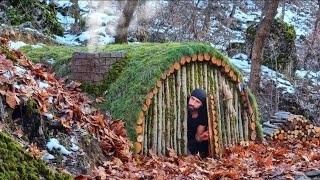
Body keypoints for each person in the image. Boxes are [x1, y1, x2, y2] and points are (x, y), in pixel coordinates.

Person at [187, 88, 209, 157]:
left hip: (192, 144)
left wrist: (201, 137)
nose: (192, 103)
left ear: (201, 105)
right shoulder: (182, 108)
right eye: (192, 99)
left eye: (197, 102)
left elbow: (197, 137)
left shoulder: (202, 116)